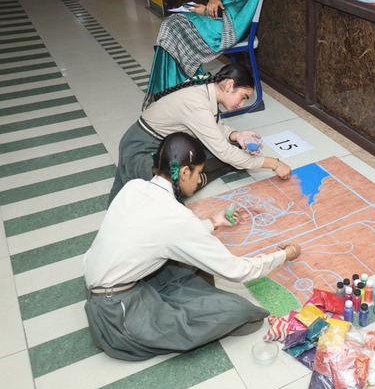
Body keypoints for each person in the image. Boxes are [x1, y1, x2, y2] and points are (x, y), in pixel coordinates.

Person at [84, 133, 302, 361]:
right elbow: (238, 271)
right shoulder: (177, 217)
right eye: (198, 173)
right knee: (241, 312)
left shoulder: (134, 186)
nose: (199, 181)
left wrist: (214, 222)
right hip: (115, 314)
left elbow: (162, 232)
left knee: (187, 262)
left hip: (105, 282)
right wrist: (284, 255)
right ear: (185, 172)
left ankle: (183, 298)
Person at [108, 62, 292, 204]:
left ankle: (197, 177)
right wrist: (273, 163)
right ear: (229, 85)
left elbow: (213, 126)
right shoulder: (197, 104)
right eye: (243, 97)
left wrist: (236, 135)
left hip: (167, 146)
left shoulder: (207, 91)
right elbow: (223, 150)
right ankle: (197, 179)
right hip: (141, 150)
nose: (241, 104)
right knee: (173, 186)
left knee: (234, 151)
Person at [144, 0, 260, 109]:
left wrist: (207, 10)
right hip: (220, 16)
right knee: (171, 25)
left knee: (175, 28)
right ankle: (172, 98)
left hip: (233, 24)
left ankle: (179, 98)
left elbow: (240, 9)